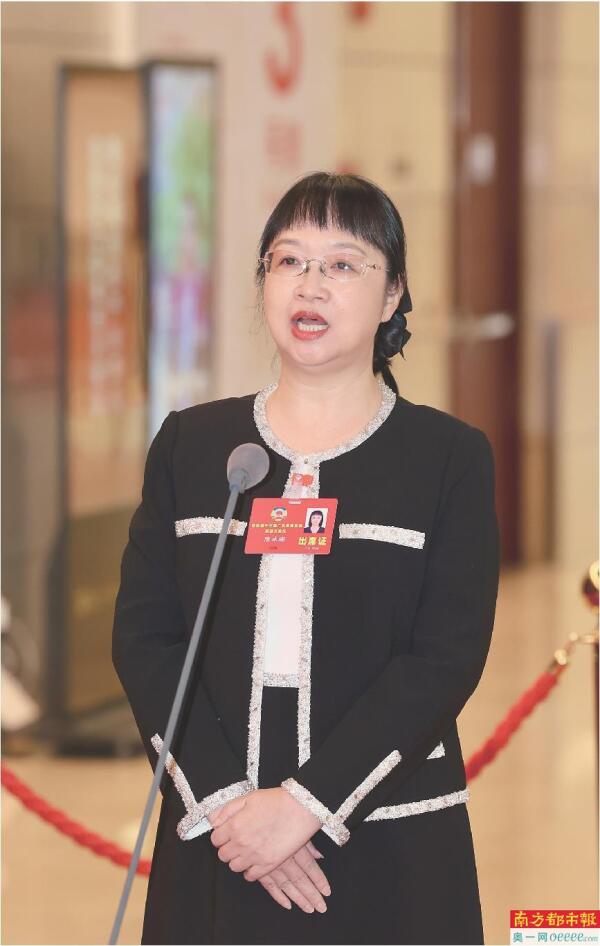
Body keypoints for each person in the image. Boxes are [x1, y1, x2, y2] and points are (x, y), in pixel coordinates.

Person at [112, 171, 500, 945]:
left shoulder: (447, 458)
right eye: (289, 260)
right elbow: (147, 641)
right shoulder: (194, 447)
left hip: (386, 837)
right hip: (220, 838)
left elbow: (444, 658)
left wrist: (303, 806)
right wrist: (229, 805)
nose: (310, 285)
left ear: (392, 295)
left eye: (343, 264)